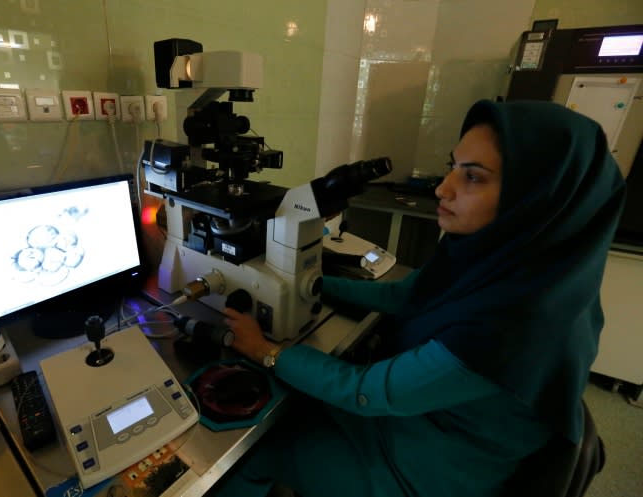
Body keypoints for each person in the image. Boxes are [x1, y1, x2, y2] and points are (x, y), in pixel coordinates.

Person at [210, 99, 626, 497]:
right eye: (453, 167)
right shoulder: (512, 265)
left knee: (256, 452)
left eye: (473, 176)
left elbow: (368, 391)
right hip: (423, 422)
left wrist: (266, 351)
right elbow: (402, 295)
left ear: (538, 196)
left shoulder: (518, 325)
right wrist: (293, 282)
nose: (444, 188)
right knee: (297, 408)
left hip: (426, 474)